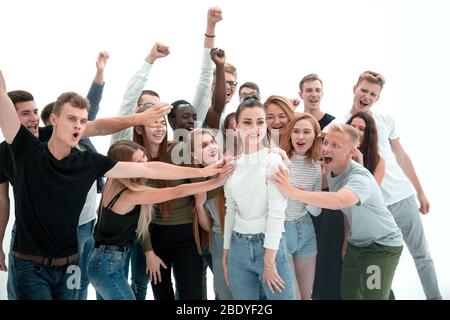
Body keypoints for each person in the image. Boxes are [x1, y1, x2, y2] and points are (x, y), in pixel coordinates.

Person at [0, 82, 230, 299]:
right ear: (53, 120)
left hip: (70, 265)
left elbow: (151, 168)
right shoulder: (25, 149)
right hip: (31, 266)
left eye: (82, 121)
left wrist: (203, 174)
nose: (78, 125)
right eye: (72, 119)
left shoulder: (88, 162)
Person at [88, 140, 233, 300]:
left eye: (144, 157)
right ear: (125, 167)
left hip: (102, 260)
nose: (145, 163)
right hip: (108, 265)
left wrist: (202, 172)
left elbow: (156, 168)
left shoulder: (113, 180)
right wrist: (215, 181)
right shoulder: (129, 195)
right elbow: (177, 191)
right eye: (138, 162)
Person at [272, 123, 403, 300]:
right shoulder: (333, 172)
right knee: (349, 294)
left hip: (381, 247)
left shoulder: (360, 178)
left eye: (335, 146)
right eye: (326, 143)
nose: (326, 149)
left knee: (373, 296)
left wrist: (293, 192)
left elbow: (340, 201)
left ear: (351, 153)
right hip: (356, 245)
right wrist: (347, 237)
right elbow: (347, 211)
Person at [342, 70, 441, 300]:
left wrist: (420, 192)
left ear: (378, 98)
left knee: (422, 254)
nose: (366, 96)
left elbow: (402, 157)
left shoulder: (385, 120)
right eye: (363, 90)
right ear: (354, 89)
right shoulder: (342, 123)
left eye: (372, 93)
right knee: (378, 260)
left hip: (402, 198)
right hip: (375, 209)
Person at [222, 96, 295, 300]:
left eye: (260, 122)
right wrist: (227, 249)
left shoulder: (273, 161)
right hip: (238, 247)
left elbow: (276, 214)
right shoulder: (234, 165)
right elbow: (230, 209)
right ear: (236, 126)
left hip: (269, 246)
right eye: (247, 122)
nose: (255, 128)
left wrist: (269, 262)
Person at [279, 114, 322, 300]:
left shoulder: (315, 166)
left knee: (306, 296)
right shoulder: (280, 160)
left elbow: (317, 210)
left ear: (315, 136)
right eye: (296, 131)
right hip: (282, 229)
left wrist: (305, 197)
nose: (300, 137)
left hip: (306, 231)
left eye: (306, 132)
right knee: (293, 297)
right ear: (290, 135)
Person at [189, 128, 233, 299]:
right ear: (193, 155)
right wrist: (200, 205)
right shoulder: (199, 182)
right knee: (225, 292)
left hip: (242, 237)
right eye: (204, 145)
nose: (212, 147)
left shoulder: (232, 168)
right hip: (218, 240)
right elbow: (208, 226)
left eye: (213, 142)